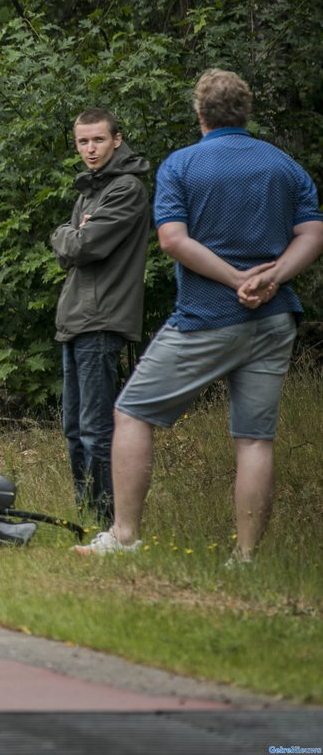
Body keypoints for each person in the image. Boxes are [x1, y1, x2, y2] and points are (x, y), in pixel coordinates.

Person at [76, 70, 322, 560]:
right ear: (245, 111)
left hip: (207, 317)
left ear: (200, 113)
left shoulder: (182, 165)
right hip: (274, 320)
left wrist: (235, 281)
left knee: (130, 412)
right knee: (255, 441)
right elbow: (313, 236)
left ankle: (124, 537)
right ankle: (245, 559)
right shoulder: (285, 166)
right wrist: (269, 280)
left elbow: (172, 240)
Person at [48, 109, 151, 523]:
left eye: (98, 140)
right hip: (76, 319)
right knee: (74, 431)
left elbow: (82, 247)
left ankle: (110, 522)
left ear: (117, 140)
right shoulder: (88, 192)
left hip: (102, 319)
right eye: (82, 142)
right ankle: (88, 516)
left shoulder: (126, 188)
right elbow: (71, 250)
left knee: (95, 431)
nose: (90, 149)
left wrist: (66, 234)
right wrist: (71, 235)